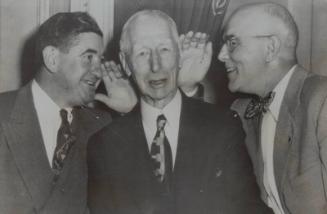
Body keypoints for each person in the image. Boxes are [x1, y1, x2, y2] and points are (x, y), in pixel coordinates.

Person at [88, 9, 271, 214]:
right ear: (125, 62)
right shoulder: (104, 146)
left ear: (179, 54)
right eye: (142, 53)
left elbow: (249, 208)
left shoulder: (223, 127)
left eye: (164, 49)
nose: (155, 65)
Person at [0, 12, 137, 214]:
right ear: (52, 59)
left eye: (100, 59)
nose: (98, 71)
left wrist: (131, 113)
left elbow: (135, 196)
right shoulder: (4, 114)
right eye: (88, 57)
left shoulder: (103, 126)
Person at [218, 2, 327, 214]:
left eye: (232, 42)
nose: (221, 55)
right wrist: (188, 86)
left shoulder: (322, 101)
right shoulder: (240, 112)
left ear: (270, 48)